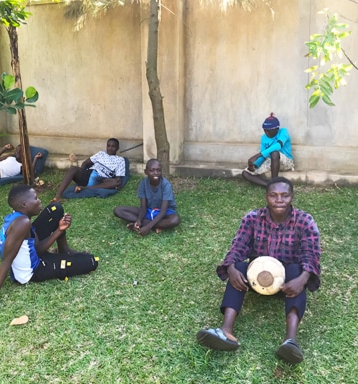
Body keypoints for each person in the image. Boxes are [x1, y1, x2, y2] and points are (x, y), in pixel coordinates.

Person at [196, 177, 321, 365]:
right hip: (256, 280)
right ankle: (226, 330)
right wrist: (230, 268)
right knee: (237, 267)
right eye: (274, 195)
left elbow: (311, 254)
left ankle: (290, 341)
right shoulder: (252, 218)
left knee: (297, 269)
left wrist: (302, 279)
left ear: (292, 197)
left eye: (284, 195)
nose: (279, 200)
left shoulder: (304, 221)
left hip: (288, 284)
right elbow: (238, 247)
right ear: (266, 197)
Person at [0, 184, 99, 315]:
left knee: (55, 208)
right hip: (33, 270)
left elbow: (36, 247)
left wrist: (59, 229)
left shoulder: (19, 217)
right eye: (36, 198)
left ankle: (64, 250)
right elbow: (6, 261)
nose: (39, 200)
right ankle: (58, 257)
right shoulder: (22, 224)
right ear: (24, 205)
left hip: (34, 254)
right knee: (91, 261)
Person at [113, 158, 180, 236]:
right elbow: (143, 207)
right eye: (152, 170)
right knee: (118, 210)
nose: (156, 173)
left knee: (175, 220)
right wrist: (138, 220)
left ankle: (147, 224)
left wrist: (148, 227)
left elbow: (163, 211)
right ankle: (155, 225)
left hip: (164, 212)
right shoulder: (143, 183)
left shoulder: (166, 185)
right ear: (146, 172)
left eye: (159, 170)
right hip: (149, 210)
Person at [52, 138, 126, 202]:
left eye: (113, 146)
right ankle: (58, 196)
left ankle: (85, 188)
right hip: (89, 174)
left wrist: (118, 183)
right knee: (73, 168)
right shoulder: (101, 154)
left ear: (117, 148)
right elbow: (86, 162)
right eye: (108, 146)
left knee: (115, 182)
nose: (110, 148)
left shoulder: (120, 160)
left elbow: (118, 177)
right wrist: (82, 172)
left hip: (102, 180)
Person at [242, 113, 294, 187]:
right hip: (271, 162)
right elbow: (263, 156)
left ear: (276, 129)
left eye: (269, 131)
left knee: (274, 153)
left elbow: (278, 145)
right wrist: (254, 165)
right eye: (265, 130)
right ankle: (269, 185)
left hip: (286, 162)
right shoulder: (264, 137)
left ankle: (274, 181)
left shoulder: (283, 131)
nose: (266, 133)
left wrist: (258, 155)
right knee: (245, 173)